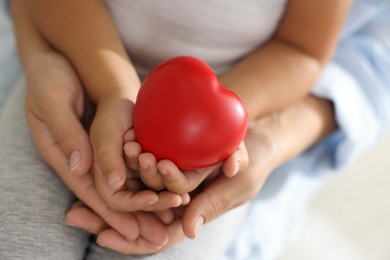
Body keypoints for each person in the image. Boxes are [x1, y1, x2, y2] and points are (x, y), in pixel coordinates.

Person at [0, 1, 389, 260]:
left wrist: (222, 122)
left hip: (217, 133)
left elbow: (302, 51)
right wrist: (113, 89)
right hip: (78, 70)